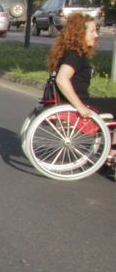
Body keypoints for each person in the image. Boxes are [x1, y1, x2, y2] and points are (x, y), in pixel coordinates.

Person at [46, 13, 116, 165]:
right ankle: (112, 154)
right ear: (80, 33)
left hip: (73, 101)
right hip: (81, 103)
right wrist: (80, 107)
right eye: (92, 31)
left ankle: (111, 153)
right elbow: (62, 79)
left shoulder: (69, 52)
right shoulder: (75, 56)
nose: (96, 35)